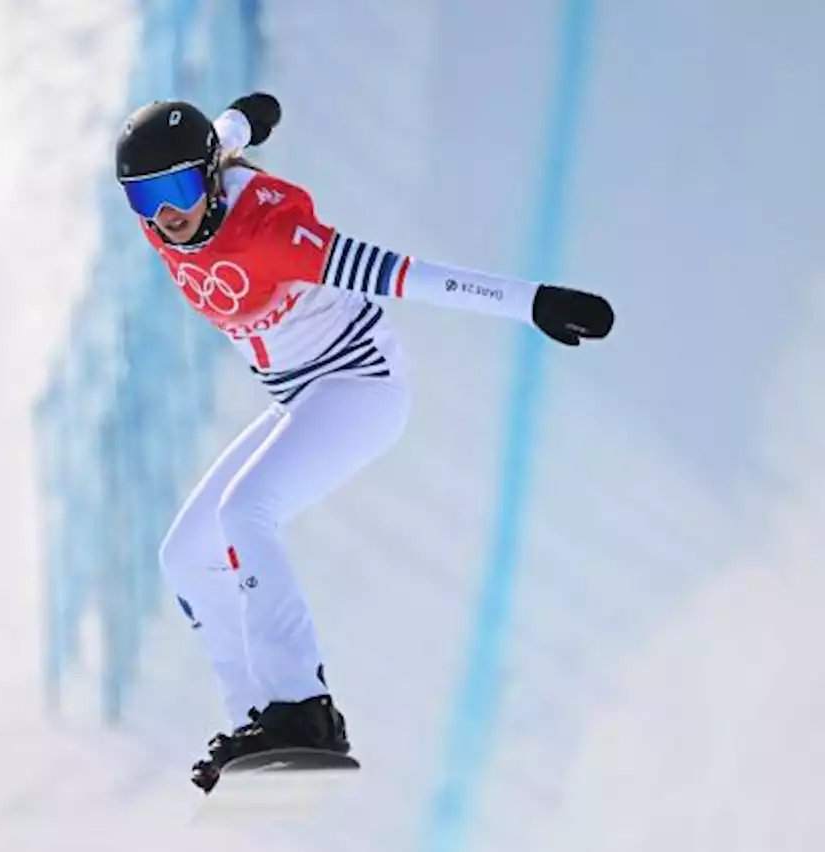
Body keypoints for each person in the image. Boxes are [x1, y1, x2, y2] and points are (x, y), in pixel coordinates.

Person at [113, 92, 614, 793]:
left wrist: (531, 302)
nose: (167, 216)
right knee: (185, 555)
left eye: (176, 192)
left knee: (244, 514)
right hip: (300, 396)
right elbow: (220, 139)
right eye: (144, 200)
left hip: (360, 385)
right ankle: (257, 723)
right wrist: (247, 117)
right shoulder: (175, 213)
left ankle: (306, 713)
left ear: (205, 179)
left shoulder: (271, 233)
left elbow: (405, 274)